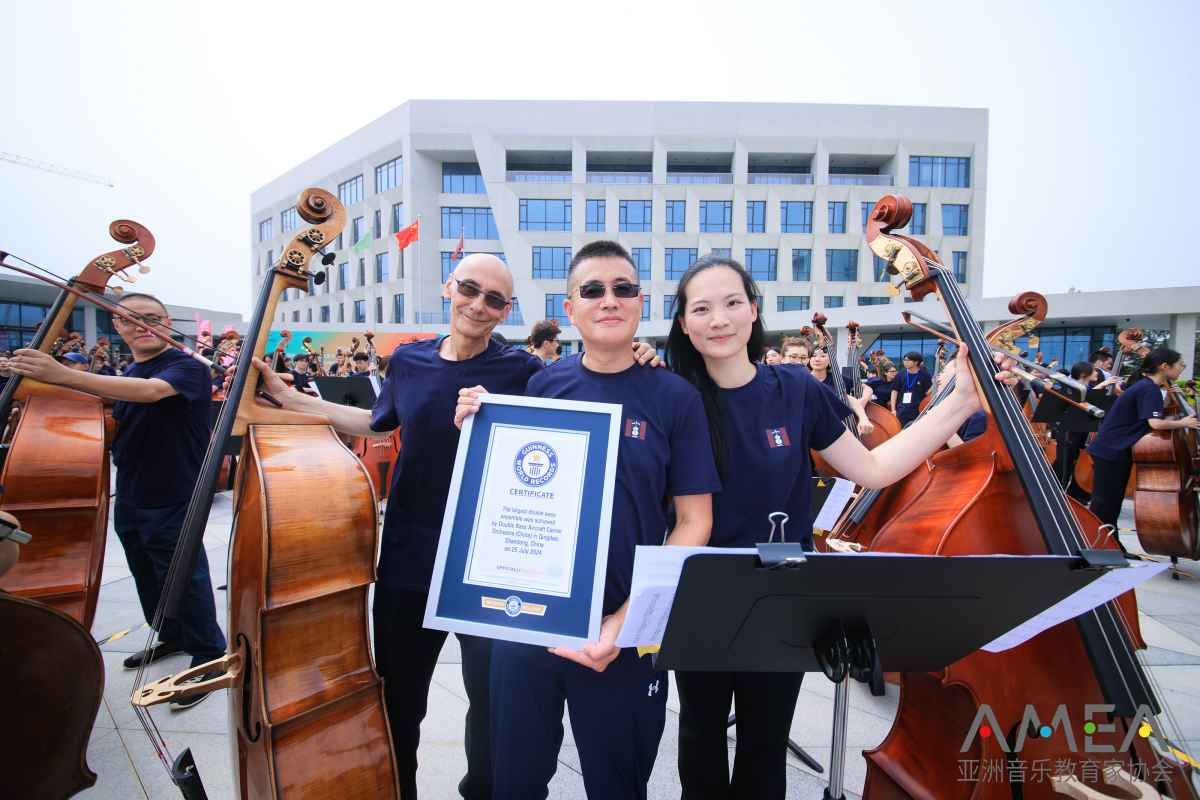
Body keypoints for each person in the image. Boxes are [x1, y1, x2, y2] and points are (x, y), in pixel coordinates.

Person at [227, 254, 661, 800]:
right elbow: (379, 422)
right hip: (409, 559)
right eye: (470, 290)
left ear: (507, 312)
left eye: (495, 299)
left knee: (493, 709)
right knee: (397, 702)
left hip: (488, 567)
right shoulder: (407, 362)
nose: (479, 305)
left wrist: (641, 354)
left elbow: (589, 391)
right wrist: (290, 398)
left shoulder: (525, 372)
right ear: (449, 287)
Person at [657, 254, 1016, 800]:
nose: (719, 319)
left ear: (754, 310)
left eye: (732, 303)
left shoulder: (797, 389)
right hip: (703, 588)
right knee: (699, 735)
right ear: (684, 324)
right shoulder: (672, 396)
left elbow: (872, 467)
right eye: (701, 309)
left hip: (785, 589)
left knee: (765, 741)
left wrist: (961, 398)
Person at [455, 241, 721, 800]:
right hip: (528, 629)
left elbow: (695, 522)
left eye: (623, 288)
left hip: (624, 639)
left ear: (640, 303)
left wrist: (623, 624)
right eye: (593, 290)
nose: (609, 300)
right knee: (513, 786)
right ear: (570, 307)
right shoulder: (542, 386)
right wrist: (478, 433)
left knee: (618, 789)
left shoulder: (676, 397)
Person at [4, 293, 227, 709]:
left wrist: (62, 373)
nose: (143, 325)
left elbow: (150, 393)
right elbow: (116, 406)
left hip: (174, 489)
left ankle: (209, 655)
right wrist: (32, 380)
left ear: (167, 323)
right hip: (131, 488)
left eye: (153, 318)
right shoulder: (129, 368)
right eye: (131, 319)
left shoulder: (187, 366)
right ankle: (174, 636)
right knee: (146, 571)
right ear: (117, 326)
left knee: (183, 574)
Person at [1086, 348, 1199, 541]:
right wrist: (1185, 422)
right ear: (1165, 366)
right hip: (1111, 450)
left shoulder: (1146, 386)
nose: (1182, 369)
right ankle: (1094, 545)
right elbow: (1155, 423)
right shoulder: (1150, 388)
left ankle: (1111, 545)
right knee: (1106, 503)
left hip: (1114, 450)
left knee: (1111, 504)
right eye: (1181, 365)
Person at [807, 346, 874, 436]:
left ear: (830, 360)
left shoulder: (837, 379)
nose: (817, 359)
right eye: (813, 356)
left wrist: (864, 399)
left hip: (835, 427)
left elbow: (867, 388)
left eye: (822, 356)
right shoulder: (804, 379)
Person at [889, 351, 933, 428]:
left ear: (916, 361)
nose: (905, 362)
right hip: (902, 410)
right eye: (904, 360)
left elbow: (927, 393)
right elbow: (894, 391)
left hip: (918, 410)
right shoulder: (900, 375)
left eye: (908, 360)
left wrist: (935, 383)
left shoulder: (925, 375)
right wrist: (893, 409)